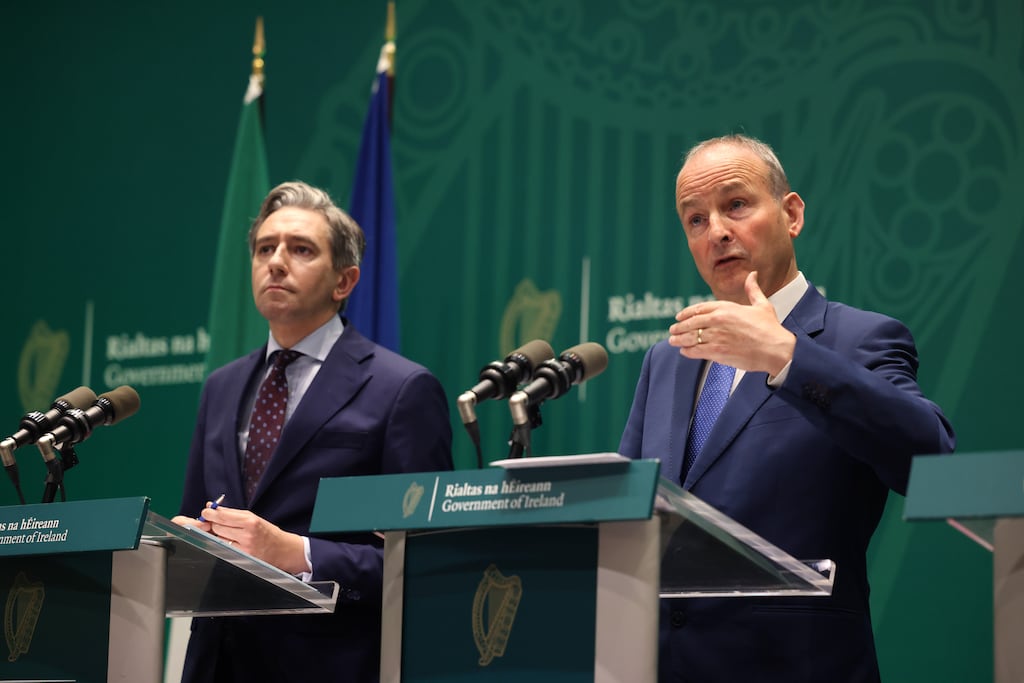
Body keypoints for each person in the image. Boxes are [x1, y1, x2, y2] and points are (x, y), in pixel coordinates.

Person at [618, 134, 956, 682]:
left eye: (735, 205)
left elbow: (933, 456)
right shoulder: (668, 359)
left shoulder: (857, 339)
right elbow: (631, 514)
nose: (717, 231)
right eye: (695, 220)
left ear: (791, 214)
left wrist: (788, 356)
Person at [172, 181, 453, 683]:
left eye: (300, 249)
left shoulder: (401, 389)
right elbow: (200, 515)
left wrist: (297, 552)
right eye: (265, 248)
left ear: (344, 281)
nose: (276, 262)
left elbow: (426, 560)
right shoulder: (221, 387)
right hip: (217, 665)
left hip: (332, 663)